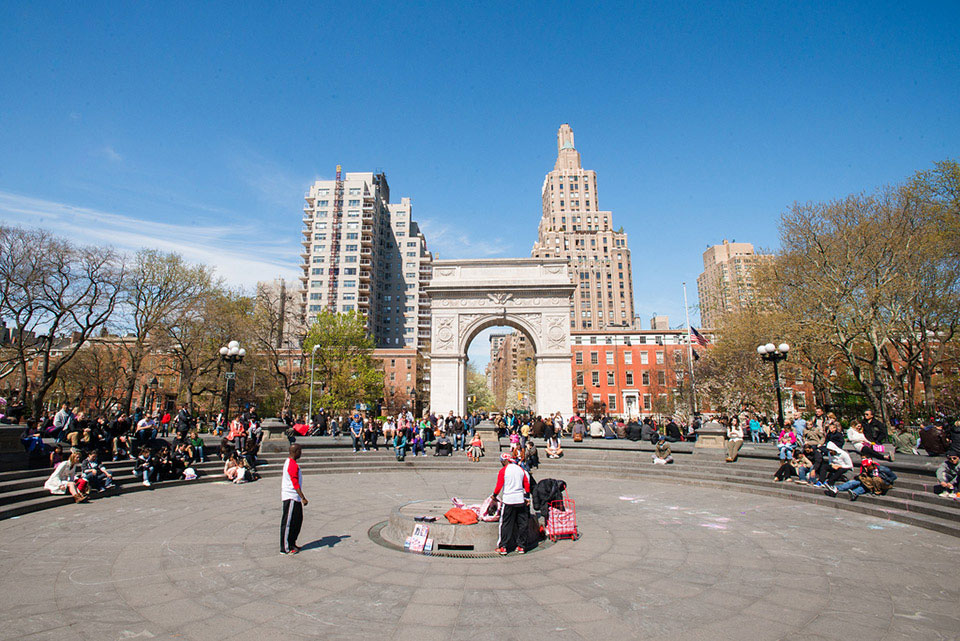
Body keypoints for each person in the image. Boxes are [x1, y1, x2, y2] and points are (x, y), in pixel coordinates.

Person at [491, 453, 531, 555]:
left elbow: (499, 485)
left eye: (501, 462)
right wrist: (526, 497)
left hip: (509, 500)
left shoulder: (503, 471)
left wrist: (494, 495)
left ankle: (503, 546)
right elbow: (526, 483)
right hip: (520, 499)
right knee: (522, 523)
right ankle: (521, 546)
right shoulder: (520, 469)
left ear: (504, 461)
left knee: (506, 523)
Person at [281, 444, 308, 555]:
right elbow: (295, 483)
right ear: (295, 451)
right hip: (291, 497)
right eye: (300, 451)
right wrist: (303, 497)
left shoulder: (292, 463)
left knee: (297, 521)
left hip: (294, 497)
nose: (301, 453)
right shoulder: (292, 464)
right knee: (288, 523)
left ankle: (292, 542)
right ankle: (285, 547)